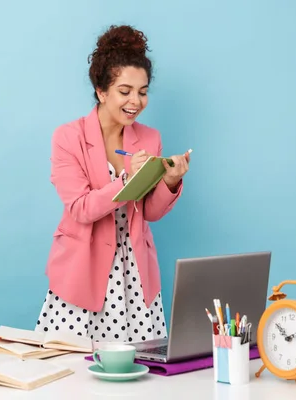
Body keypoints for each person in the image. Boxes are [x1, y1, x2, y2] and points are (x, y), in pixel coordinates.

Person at [35, 25, 191, 343]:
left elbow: (148, 211)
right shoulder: (68, 138)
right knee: (71, 373)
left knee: (140, 373)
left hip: (134, 273)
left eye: (143, 91)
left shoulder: (150, 138)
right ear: (101, 91)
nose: (136, 101)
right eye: (125, 91)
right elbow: (80, 208)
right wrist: (125, 180)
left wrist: (171, 181)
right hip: (82, 272)